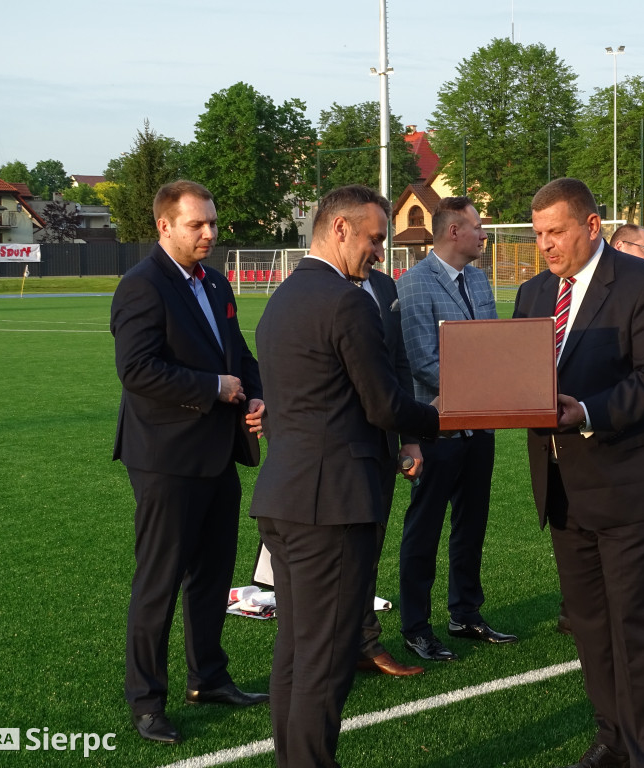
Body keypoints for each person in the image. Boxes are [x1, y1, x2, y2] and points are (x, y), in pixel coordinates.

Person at [251, 185, 440, 768]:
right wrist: (443, 415)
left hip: (284, 497)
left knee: (296, 651)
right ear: (339, 229)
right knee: (325, 659)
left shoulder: (282, 297)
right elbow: (384, 404)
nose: (380, 252)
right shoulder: (347, 301)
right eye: (375, 238)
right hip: (331, 504)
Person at [514, 178, 644, 768]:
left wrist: (589, 412)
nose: (545, 244)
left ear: (592, 226)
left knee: (637, 627)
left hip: (634, 485)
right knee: (590, 627)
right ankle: (613, 739)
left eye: (556, 232)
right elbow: (519, 381)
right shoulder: (532, 293)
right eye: (538, 234)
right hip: (564, 490)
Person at [110, 180, 268, 745]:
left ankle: (209, 678)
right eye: (197, 224)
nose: (209, 233)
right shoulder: (141, 285)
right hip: (166, 457)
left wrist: (255, 394)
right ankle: (146, 701)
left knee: (213, 575)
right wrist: (212, 387)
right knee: (159, 581)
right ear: (164, 226)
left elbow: (238, 352)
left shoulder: (215, 281)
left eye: (213, 223)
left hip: (218, 451)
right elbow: (137, 370)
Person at [396, 196, 517, 662]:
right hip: (436, 428)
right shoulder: (414, 283)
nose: (484, 235)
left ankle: (465, 613)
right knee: (423, 530)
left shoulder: (479, 279)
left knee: (472, 524)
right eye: (477, 226)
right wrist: (483, 387)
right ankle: (416, 627)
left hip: (479, 427)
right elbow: (422, 361)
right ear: (453, 231)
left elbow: (494, 347)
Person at [355, 267, 426, 677]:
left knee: (370, 546)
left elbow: (399, 363)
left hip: (381, 445)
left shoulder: (383, 285)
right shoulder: (316, 287)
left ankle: (364, 642)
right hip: (335, 448)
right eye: (373, 239)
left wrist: (410, 438)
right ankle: (333, 647)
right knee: (335, 555)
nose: (380, 252)